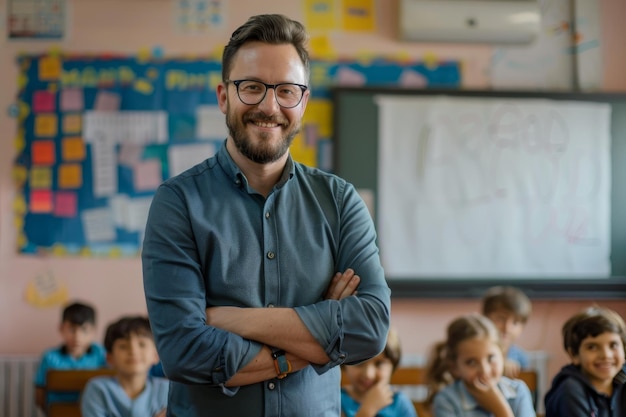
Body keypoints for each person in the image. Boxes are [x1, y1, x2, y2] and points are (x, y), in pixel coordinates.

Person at [141, 13, 391, 417]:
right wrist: (318, 335)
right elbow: (184, 351)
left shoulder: (341, 201)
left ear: (303, 101)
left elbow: (370, 328)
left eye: (286, 91)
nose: (269, 106)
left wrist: (231, 320)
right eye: (252, 87)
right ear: (224, 96)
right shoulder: (178, 202)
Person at [425, 313, 536, 417]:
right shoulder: (447, 400)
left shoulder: (517, 392)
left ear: (502, 355)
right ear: (455, 367)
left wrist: (499, 407)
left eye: (491, 358)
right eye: (471, 362)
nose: (485, 370)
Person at [544, 306, 626, 417]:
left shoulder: (622, 382)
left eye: (613, 345)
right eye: (592, 347)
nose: (606, 355)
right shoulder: (570, 391)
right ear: (574, 354)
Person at [80, 315, 168, 417]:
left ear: (156, 355)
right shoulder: (98, 389)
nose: (133, 351)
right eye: (123, 346)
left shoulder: (165, 389)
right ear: (110, 358)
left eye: (142, 344)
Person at [34, 301, 107, 412]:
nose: (77, 336)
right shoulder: (50, 357)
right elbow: (40, 393)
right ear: (61, 329)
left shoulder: (101, 354)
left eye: (84, 330)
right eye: (72, 330)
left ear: (94, 331)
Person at [340, 327, 417, 417]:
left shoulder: (400, 403)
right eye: (359, 362)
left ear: (393, 365)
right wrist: (367, 411)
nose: (369, 374)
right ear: (343, 364)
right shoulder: (337, 401)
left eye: (379, 364)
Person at [481, 286, 532, 378]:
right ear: (485, 318)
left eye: (515, 322)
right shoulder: (475, 350)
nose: (507, 328)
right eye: (501, 319)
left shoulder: (521, 358)